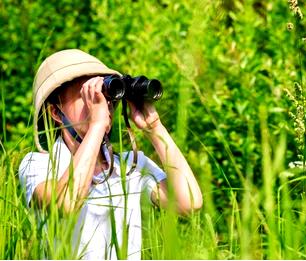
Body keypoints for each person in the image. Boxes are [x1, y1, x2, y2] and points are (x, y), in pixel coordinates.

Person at [18, 49, 203, 259]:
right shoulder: (38, 164)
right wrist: (97, 125)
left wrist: (155, 128)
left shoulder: (130, 166)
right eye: (84, 95)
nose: (98, 103)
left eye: (103, 95)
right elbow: (66, 203)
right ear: (55, 112)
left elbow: (188, 203)